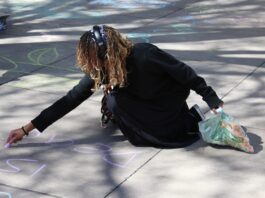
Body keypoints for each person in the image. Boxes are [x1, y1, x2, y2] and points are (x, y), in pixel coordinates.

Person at [6, 25, 224, 148]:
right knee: (112, 98)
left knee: (113, 99)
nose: (92, 66)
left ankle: (184, 120)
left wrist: (211, 98)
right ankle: (175, 124)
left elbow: (185, 73)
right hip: (148, 105)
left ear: (107, 54)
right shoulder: (102, 72)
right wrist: (27, 129)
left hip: (167, 102)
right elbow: (70, 99)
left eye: (94, 60)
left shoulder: (145, 54)